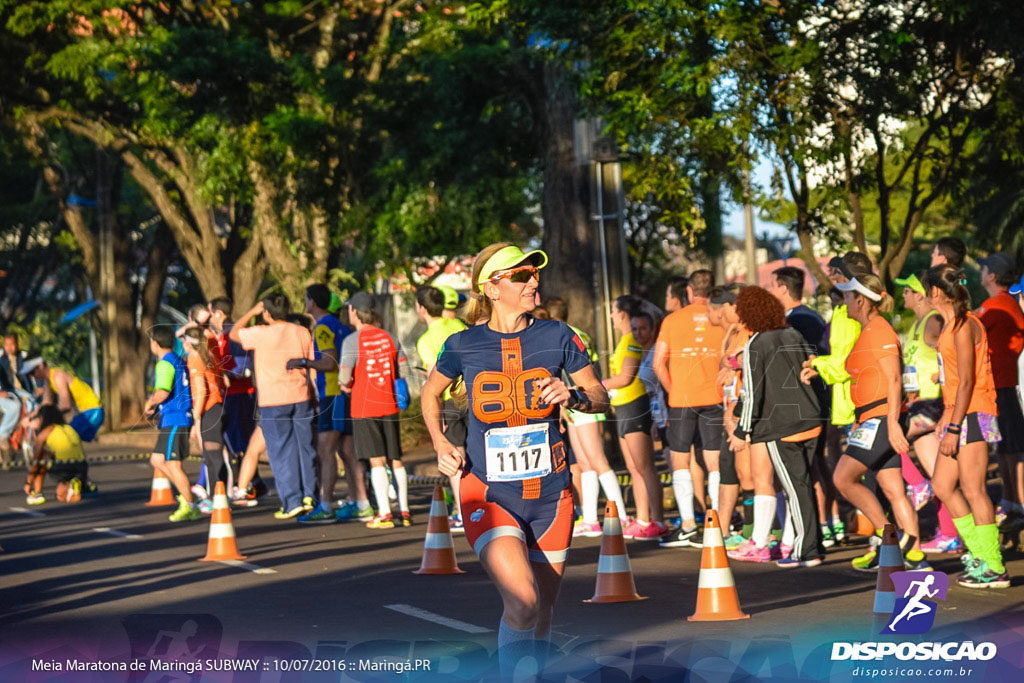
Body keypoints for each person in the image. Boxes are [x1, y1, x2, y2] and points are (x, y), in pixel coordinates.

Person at [421, 242, 607, 679]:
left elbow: (599, 395)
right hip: (488, 490)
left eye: (534, 275)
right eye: (521, 276)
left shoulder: (560, 335)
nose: (533, 282)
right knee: (522, 602)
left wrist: (574, 394)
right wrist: (440, 443)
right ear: (491, 287)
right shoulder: (462, 344)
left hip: (551, 494)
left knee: (540, 614)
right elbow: (431, 393)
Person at [803, 272, 928, 571]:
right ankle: (916, 556)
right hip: (871, 417)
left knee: (843, 479)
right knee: (892, 488)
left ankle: (890, 539)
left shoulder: (880, 331)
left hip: (882, 417)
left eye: (847, 296)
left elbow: (894, 378)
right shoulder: (867, 330)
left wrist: (893, 422)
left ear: (861, 300)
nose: (844, 301)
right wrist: (819, 369)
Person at [926, 264, 1009, 589]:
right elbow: (955, 380)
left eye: (925, 289)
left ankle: (994, 565)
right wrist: (947, 417)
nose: (923, 294)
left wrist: (955, 426)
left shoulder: (964, 325)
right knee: (943, 486)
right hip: (960, 413)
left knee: (974, 489)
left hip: (974, 413)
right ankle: (980, 554)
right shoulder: (950, 326)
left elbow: (968, 382)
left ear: (936, 292)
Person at [729, 286, 824, 568]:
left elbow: (752, 394)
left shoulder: (756, 345)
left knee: (796, 489)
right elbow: (813, 368)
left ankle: (806, 551)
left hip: (781, 427)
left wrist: (741, 431)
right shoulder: (793, 333)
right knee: (803, 485)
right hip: (811, 417)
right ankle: (807, 544)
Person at [654, 269, 725, 548]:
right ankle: (718, 521)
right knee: (714, 460)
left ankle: (687, 526)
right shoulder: (720, 318)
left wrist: (675, 390)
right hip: (715, 398)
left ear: (690, 292)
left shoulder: (672, 320)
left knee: (680, 460)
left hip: (682, 400)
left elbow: (659, 363)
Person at [231, 295, 318, 520]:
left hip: (273, 400)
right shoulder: (301, 332)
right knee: (305, 447)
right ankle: (311, 496)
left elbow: (233, 333)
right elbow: (312, 365)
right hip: (301, 395)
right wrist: (314, 393)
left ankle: (292, 501)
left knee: (281, 451)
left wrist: (252, 311)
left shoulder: (260, 333)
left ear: (267, 313)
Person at [547, 297, 627, 536]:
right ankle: (591, 518)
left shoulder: (569, 335)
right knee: (584, 463)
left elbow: (582, 372)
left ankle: (621, 515)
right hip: (572, 403)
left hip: (584, 401)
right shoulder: (570, 332)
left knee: (597, 459)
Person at [894, 271, 961, 553]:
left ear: (920, 294)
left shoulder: (933, 321)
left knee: (890, 439)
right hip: (919, 400)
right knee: (939, 475)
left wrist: (940, 373)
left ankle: (918, 484)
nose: (903, 296)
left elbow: (950, 350)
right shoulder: (916, 325)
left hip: (933, 402)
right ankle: (949, 533)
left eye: (907, 291)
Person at [339, 291, 410, 529]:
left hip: (364, 407)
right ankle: (405, 509)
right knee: (395, 458)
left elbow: (344, 377)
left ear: (355, 312)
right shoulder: (390, 336)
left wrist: (346, 386)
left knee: (376, 460)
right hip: (390, 404)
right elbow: (404, 372)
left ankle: (385, 514)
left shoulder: (352, 341)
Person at [295, 284, 363, 524]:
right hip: (345, 394)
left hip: (332, 394)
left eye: (306, 299)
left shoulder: (323, 327)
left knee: (326, 451)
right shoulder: (342, 326)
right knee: (348, 451)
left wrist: (302, 361)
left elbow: (329, 362)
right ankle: (358, 501)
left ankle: (326, 505)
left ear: (313, 302)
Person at [606, 295, 664, 540]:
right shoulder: (625, 339)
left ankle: (658, 519)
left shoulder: (631, 340)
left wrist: (592, 387)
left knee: (644, 466)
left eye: (612, 311)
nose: (610, 316)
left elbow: (625, 377)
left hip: (634, 404)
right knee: (633, 466)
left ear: (621, 314)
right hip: (622, 406)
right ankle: (642, 518)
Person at [976, 253, 1024, 530]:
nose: (980, 273)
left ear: (991, 276)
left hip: (1000, 386)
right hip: (1003, 385)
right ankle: (1010, 501)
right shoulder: (1009, 303)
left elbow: (966, 329)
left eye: (983, 269)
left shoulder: (995, 305)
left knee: (1010, 448)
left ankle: (1015, 504)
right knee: (1006, 447)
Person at [416, 285, 469, 530]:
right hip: (471, 396)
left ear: (421, 308)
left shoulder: (426, 340)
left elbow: (432, 382)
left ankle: (462, 512)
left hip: (448, 400)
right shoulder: (459, 327)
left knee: (455, 458)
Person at [707, 285, 755, 546]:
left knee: (749, 475)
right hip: (731, 408)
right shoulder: (733, 331)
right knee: (731, 469)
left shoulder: (748, 331)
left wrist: (734, 409)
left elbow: (748, 364)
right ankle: (726, 530)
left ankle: (755, 531)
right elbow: (726, 364)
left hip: (741, 410)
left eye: (724, 310)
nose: (721, 316)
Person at [207, 297, 266, 505]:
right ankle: (252, 483)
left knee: (241, 443)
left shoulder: (233, 335)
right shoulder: (222, 335)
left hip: (241, 395)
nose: (208, 317)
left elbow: (244, 367)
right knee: (234, 443)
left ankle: (250, 485)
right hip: (229, 396)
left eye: (210, 312)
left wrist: (223, 375)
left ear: (219, 314)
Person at [143, 326, 201, 522]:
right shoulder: (178, 360)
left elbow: (163, 392)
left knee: (173, 464)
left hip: (176, 418)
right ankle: (185, 495)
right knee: (157, 460)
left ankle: (190, 504)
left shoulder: (165, 363)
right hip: (173, 417)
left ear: (155, 343)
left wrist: (149, 403)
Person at [182, 327, 227, 513]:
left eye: (183, 341)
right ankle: (219, 496)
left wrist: (196, 418)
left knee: (212, 457)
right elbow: (224, 382)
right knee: (212, 456)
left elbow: (201, 391)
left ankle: (217, 497)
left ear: (188, 343)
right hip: (217, 407)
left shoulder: (194, 358)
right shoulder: (208, 355)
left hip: (210, 410)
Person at [24, 404, 93, 505]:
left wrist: (28, 482)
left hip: (64, 468)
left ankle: (37, 494)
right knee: (61, 496)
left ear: (43, 418)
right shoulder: (69, 428)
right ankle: (74, 484)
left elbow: (36, 461)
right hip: (82, 467)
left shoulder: (46, 432)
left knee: (41, 458)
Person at [26, 359, 104, 444]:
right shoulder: (48, 381)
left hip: (92, 411)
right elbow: (46, 403)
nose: (33, 376)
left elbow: (65, 405)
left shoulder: (58, 376)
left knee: (62, 438)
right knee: (58, 439)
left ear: (41, 365)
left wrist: (41, 420)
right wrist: (30, 417)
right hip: (83, 413)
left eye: (32, 372)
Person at [770, 266, 827, 352]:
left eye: (772, 286)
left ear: (783, 289)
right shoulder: (800, 316)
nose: (770, 291)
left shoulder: (803, 319)